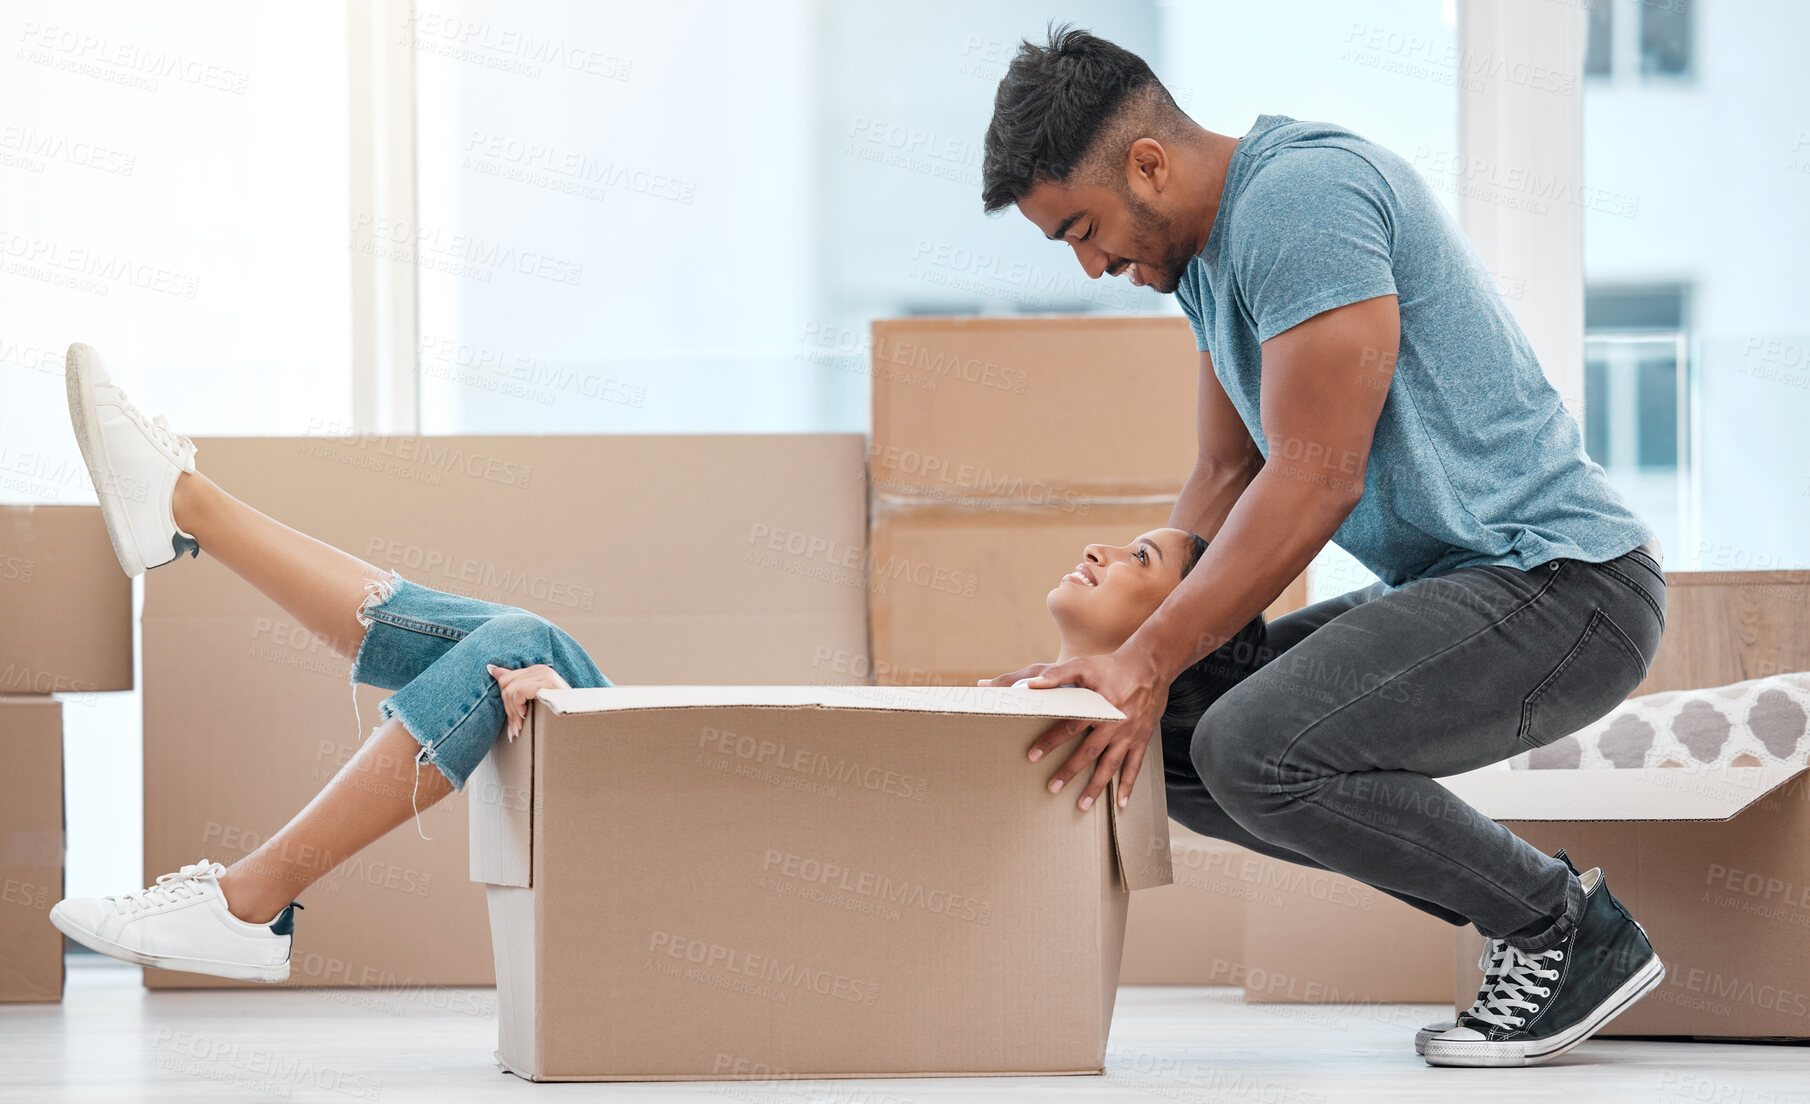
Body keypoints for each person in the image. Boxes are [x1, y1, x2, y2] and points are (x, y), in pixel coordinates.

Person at [45, 342, 1262, 988]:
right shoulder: (1019, 702)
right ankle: (190, 509)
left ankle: (248, 903)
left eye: (1148, 555)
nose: (1107, 546)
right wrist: (593, 724)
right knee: (509, 640)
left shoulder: (1062, 739)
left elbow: (843, 831)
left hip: (725, 871)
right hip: (710, 830)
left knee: (516, 645)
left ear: (1185, 632)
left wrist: (598, 735)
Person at [976, 25, 1668, 1068]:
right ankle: (1542, 921)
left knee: (1253, 746)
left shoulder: (1297, 203)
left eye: (1084, 228)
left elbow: (1315, 473)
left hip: (1565, 588)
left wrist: (1150, 656)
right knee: (1176, 742)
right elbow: (1222, 476)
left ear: (1147, 162)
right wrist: (1127, 658)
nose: (1091, 264)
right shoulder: (1207, 264)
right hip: (1469, 586)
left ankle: (1560, 928)